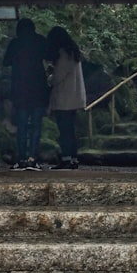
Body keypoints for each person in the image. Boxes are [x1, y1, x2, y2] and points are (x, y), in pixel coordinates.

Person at [2, 18, 48, 170]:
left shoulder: (15, 43)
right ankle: (32, 159)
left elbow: (6, 62)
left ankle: (21, 160)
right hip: (39, 90)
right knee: (36, 126)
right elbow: (50, 56)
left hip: (20, 89)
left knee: (21, 126)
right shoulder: (40, 41)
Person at [46, 26, 86, 170]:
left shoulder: (63, 54)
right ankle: (74, 159)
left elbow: (58, 77)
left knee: (64, 130)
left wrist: (50, 76)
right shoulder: (74, 53)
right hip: (74, 97)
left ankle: (66, 159)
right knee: (70, 130)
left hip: (64, 98)